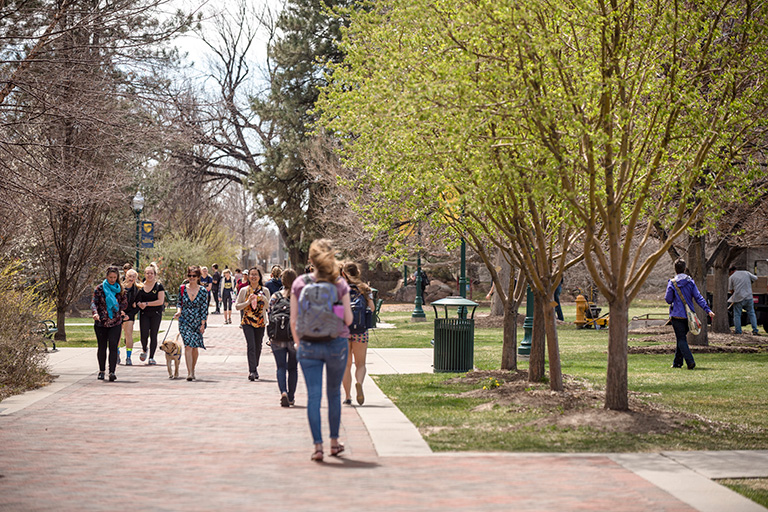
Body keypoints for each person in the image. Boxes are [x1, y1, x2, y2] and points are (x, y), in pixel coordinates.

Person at [290, 239, 352, 462]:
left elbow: (294, 320)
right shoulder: (339, 284)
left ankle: (318, 447)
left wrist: (299, 343)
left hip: (308, 345)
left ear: (311, 260)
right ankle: (334, 443)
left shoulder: (300, 283)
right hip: (336, 343)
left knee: (313, 396)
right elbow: (348, 318)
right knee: (334, 393)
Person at [665, 259, 714, 370]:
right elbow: (698, 297)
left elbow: (668, 299)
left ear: (675, 269)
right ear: (685, 269)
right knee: (681, 338)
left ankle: (690, 361)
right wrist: (707, 310)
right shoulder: (690, 282)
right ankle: (677, 363)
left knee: (681, 339)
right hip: (689, 316)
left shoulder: (672, 282)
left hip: (676, 315)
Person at [341, 262, 374, 406]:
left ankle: (348, 396)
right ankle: (359, 383)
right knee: (360, 364)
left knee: (345, 365)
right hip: (361, 331)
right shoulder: (365, 288)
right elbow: (372, 308)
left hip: (344, 331)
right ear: (358, 272)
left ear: (343, 274)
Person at [91, 266, 128, 382]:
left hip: (115, 322)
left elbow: (124, 303)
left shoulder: (120, 289)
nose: (112, 279)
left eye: (114, 277)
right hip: (101, 322)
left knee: (113, 346)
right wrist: (95, 313)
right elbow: (93, 303)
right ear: (106, 277)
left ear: (117, 278)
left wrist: (119, 308)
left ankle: (112, 371)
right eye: (110, 277)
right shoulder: (99, 289)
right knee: (102, 347)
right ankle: (101, 371)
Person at [268, 268, 298, 407]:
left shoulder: (275, 296)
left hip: (277, 336)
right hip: (294, 337)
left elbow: (270, 314)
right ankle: (291, 397)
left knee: (280, 367)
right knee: (293, 368)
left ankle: (283, 392)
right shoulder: (299, 296)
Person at [174, 265, 208, 381]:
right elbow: (179, 302)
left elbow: (204, 308)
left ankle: (193, 369)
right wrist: (178, 312)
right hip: (184, 320)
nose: (191, 278)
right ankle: (189, 373)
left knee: (195, 347)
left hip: (198, 321)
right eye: (189, 275)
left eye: (194, 276)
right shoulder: (182, 288)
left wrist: (203, 323)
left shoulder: (203, 291)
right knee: (188, 345)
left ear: (198, 277)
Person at [235, 267, 270, 381]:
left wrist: (264, 299)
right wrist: (247, 302)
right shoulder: (244, 290)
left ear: (259, 277)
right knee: (251, 346)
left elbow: (269, 307)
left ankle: (255, 366)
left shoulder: (265, 290)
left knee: (258, 346)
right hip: (247, 322)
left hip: (260, 322)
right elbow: (237, 306)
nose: (254, 277)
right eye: (251, 274)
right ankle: (252, 371)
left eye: (256, 274)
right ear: (248, 277)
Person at [136, 262, 165, 365]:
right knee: (143, 335)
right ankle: (144, 349)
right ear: (144, 274)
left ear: (154, 274)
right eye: (147, 273)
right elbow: (137, 300)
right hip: (144, 314)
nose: (149, 275)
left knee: (153, 335)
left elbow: (160, 301)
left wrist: (147, 304)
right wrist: (140, 304)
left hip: (156, 313)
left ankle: (151, 357)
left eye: (151, 273)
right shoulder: (140, 286)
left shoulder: (158, 286)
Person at [728, 265, 759, 336]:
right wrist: (750, 282)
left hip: (738, 298)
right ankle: (755, 330)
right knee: (751, 313)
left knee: (737, 315)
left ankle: (738, 331)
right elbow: (755, 278)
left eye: (729, 273)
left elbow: (730, 289)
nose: (729, 274)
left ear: (731, 271)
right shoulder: (746, 273)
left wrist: (733, 294)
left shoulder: (732, 277)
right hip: (749, 297)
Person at [121, 269, 140, 366]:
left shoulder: (137, 290)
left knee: (128, 334)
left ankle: (128, 356)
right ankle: (116, 353)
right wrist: (120, 312)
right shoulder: (120, 288)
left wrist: (129, 315)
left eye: (133, 276)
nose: (131, 278)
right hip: (119, 314)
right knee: (117, 335)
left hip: (130, 315)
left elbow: (137, 307)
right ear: (126, 276)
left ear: (136, 278)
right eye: (129, 276)